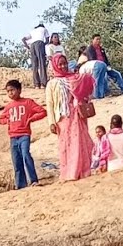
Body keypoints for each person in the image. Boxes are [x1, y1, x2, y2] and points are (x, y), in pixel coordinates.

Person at [46, 53, 95, 182]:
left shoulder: (74, 78)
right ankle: (69, 172)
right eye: (60, 64)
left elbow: (86, 89)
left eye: (64, 63)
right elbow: (49, 104)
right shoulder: (52, 84)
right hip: (62, 118)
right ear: (55, 66)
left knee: (79, 142)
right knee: (66, 145)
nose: (63, 66)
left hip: (76, 114)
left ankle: (82, 170)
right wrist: (51, 122)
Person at [0, 79, 47, 189]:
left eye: (12, 90)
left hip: (24, 134)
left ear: (19, 90)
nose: (10, 93)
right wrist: (8, 121)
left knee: (26, 155)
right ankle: (20, 184)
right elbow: (0, 119)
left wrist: (31, 119)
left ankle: (33, 180)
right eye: (8, 91)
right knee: (16, 159)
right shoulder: (9, 106)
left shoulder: (28, 102)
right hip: (13, 136)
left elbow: (42, 112)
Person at [23, 23, 50, 89]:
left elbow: (23, 39)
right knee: (42, 63)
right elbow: (47, 40)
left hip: (32, 45)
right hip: (39, 43)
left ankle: (36, 84)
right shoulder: (44, 29)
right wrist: (44, 44)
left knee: (34, 65)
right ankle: (43, 84)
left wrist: (27, 46)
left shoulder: (32, 31)